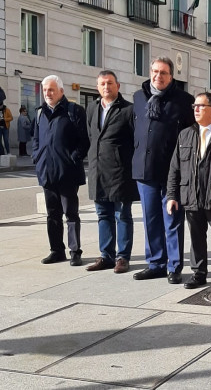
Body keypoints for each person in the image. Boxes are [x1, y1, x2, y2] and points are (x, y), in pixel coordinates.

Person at [132, 57, 195, 284]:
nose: (159, 76)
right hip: (145, 171)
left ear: (171, 76)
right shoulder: (138, 98)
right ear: (150, 72)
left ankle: (174, 266)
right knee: (150, 220)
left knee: (172, 220)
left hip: (172, 173)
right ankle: (156, 263)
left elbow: (190, 137)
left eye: (164, 73)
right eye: (155, 72)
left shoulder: (184, 101)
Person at [167, 92, 211, 290]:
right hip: (191, 196)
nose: (196, 109)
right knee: (196, 238)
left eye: (201, 106)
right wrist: (172, 196)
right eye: (195, 106)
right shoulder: (185, 134)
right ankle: (199, 273)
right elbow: (175, 168)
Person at [33, 75, 90, 266]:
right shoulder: (40, 113)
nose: (47, 93)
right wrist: (37, 158)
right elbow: (36, 141)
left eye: (51, 90)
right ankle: (57, 250)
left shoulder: (74, 111)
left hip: (67, 173)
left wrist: (73, 158)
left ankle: (75, 251)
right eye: (45, 90)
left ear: (61, 91)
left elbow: (84, 141)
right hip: (47, 172)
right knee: (52, 215)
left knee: (71, 214)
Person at [85, 71, 137, 274]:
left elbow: (135, 141)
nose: (106, 87)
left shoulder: (128, 110)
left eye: (110, 83)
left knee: (122, 215)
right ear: (97, 87)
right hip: (98, 171)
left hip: (120, 173)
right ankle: (106, 255)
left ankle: (123, 257)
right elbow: (91, 136)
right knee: (102, 214)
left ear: (118, 85)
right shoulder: (92, 108)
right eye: (102, 84)